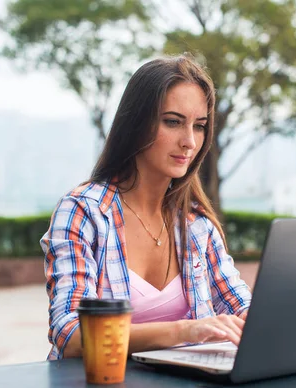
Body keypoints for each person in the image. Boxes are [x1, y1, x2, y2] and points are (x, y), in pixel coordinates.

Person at [40, 55, 252, 360]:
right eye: (173, 122)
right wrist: (186, 330)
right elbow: (71, 333)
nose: (190, 141)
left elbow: (241, 307)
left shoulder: (196, 223)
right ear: (137, 123)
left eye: (200, 126)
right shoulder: (84, 212)